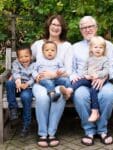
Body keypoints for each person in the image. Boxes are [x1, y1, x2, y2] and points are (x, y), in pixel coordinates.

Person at [70, 16, 113, 146]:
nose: (87, 29)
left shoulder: (108, 45)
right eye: (84, 27)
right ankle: (89, 131)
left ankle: (102, 130)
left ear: (96, 27)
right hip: (84, 81)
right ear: (80, 30)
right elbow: (71, 69)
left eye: (90, 26)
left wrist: (104, 77)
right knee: (80, 95)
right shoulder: (75, 47)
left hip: (103, 81)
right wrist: (75, 77)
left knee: (108, 94)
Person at [31, 14, 72, 147]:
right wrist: (33, 75)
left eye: (58, 25)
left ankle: (52, 133)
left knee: (59, 96)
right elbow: (27, 62)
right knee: (43, 97)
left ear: (62, 28)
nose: (55, 27)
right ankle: (43, 134)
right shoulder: (38, 44)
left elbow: (69, 70)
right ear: (48, 26)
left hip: (58, 80)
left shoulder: (66, 46)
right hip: (40, 81)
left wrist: (54, 74)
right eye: (53, 24)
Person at [60, 36, 109, 122]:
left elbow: (106, 71)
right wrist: (86, 75)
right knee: (79, 81)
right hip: (89, 79)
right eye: (96, 47)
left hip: (99, 81)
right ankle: (69, 91)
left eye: (101, 47)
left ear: (104, 49)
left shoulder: (104, 59)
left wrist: (98, 75)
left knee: (93, 91)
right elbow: (84, 70)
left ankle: (95, 111)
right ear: (91, 49)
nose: (98, 49)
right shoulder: (89, 59)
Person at [6, 46, 34, 137]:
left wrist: (27, 84)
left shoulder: (35, 65)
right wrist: (18, 80)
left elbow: (35, 77)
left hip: (27, 87)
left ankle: (26, 125)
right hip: (17, 85)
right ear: (18, 58)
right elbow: (15, 72)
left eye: (26, 56)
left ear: (31, 56)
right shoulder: (16, 63)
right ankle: (13, 109)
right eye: (21, 57)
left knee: (25, 97)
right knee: (9, 83)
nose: (24, 59)